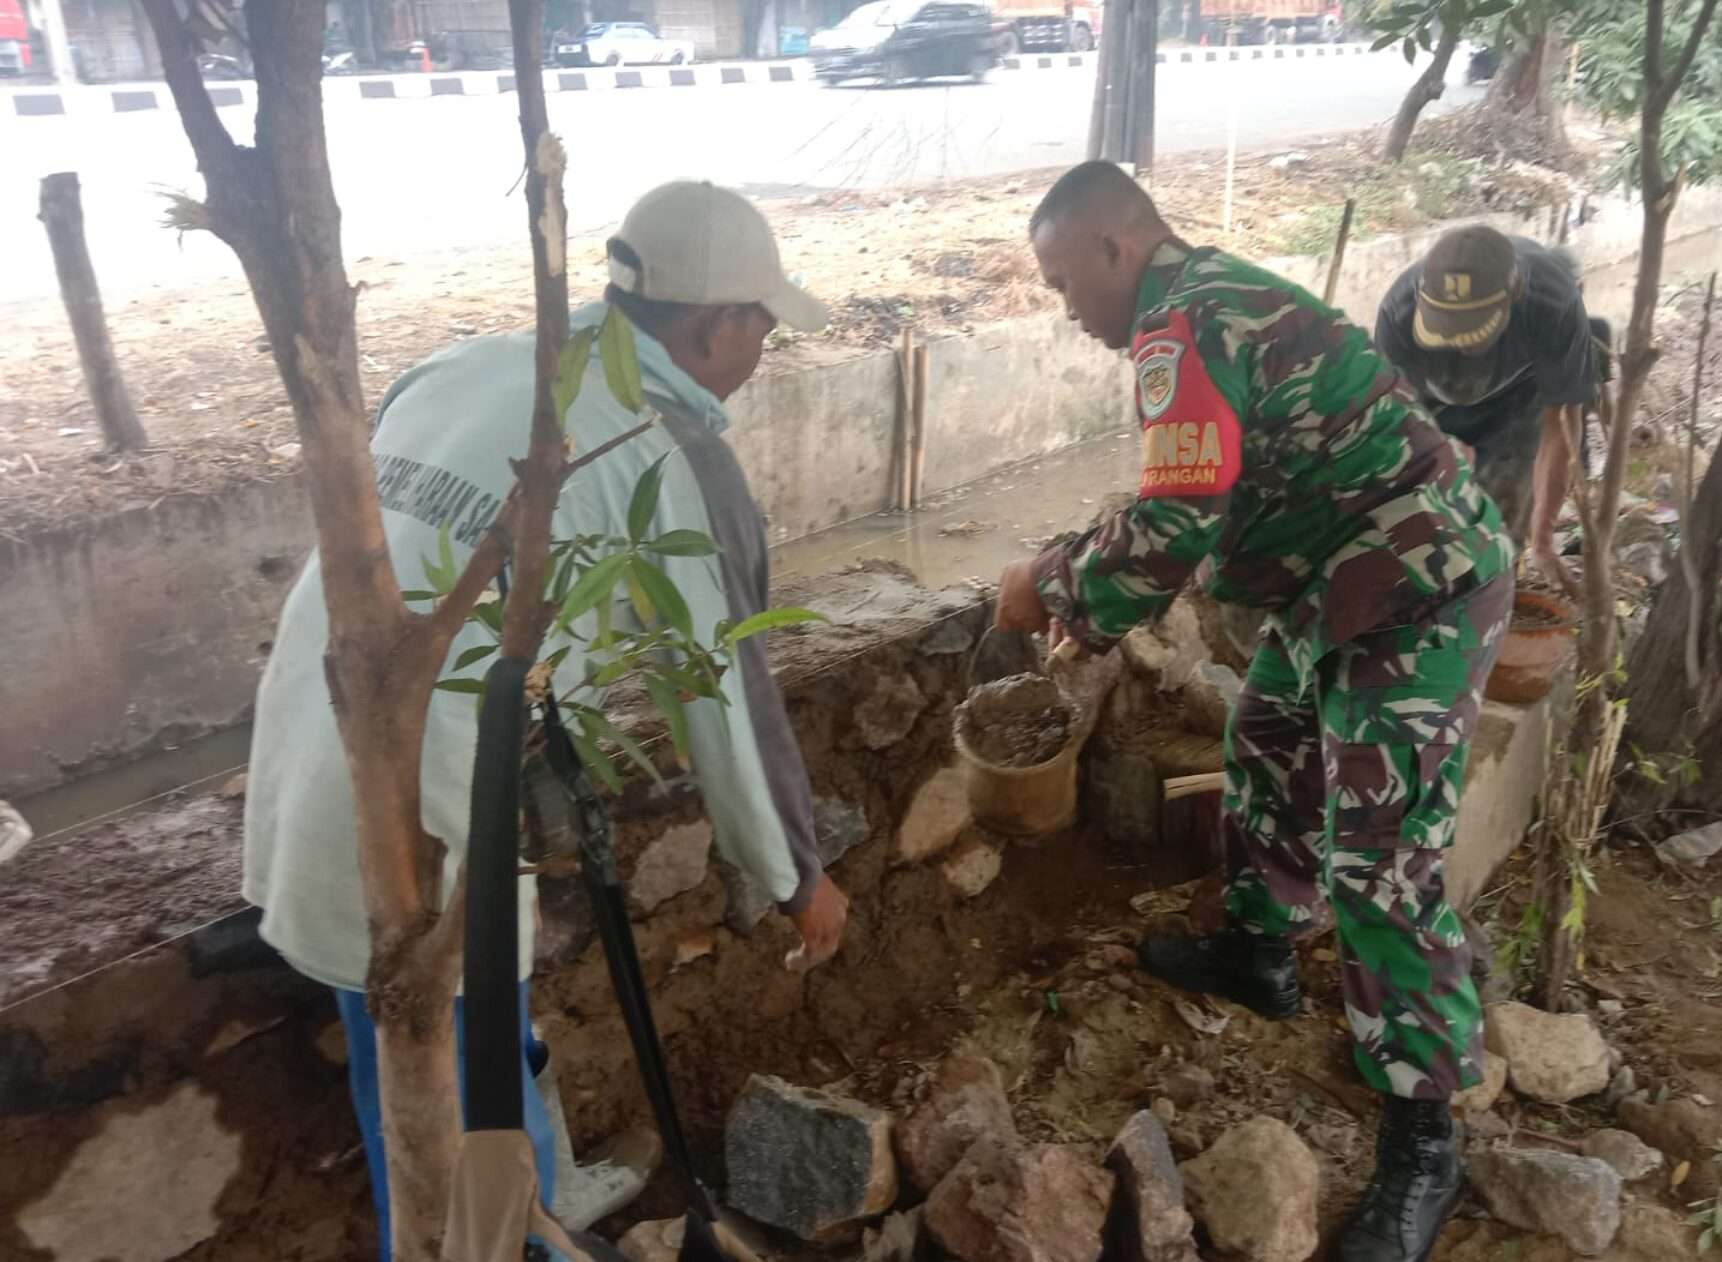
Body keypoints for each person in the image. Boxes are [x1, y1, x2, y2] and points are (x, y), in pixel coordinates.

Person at [243, 181, 850, 1261]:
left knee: (438, 1059)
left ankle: (541, 1197)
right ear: (718, 326)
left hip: (308, 754)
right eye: (762, 325)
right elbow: (721, 690)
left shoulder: (475, 364)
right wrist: (794, 870)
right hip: (422, 815)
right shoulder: (662, 450)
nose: (762, 350)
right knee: (445, 1125)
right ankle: (511, 1236)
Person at [994, 162, 1513, 1262]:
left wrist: (1052, 586)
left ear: (1112, 250)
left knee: (1383, 852)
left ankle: (1423, 1143)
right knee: (1268, 733)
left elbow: (1179, 515)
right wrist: (1078, 577)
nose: (1064, 307)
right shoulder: (1208, 298)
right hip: (1347, 578)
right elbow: (1185, 490)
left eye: (1060, 281)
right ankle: (1259, 948)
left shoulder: (1178, 327)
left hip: (1420, 586)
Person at [1373, 225, 1610, 595]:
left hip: (1517, 401)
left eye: (1471, 332)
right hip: (1431, 403)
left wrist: (1543, 537)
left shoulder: (1552, 303)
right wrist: (1436, 451)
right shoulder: (1397, 313)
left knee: (1501, 528)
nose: (1457, 341)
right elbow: (1390, 422)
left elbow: (1561, 424)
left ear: (1514, 296)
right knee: (1424, 521)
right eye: (1446, 329)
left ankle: (1492, 597)